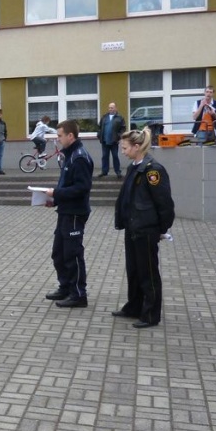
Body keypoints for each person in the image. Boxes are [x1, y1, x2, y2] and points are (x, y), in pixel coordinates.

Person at [113, 127, 175, 328]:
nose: (122, 151)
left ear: (137, 146)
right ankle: (134, 306)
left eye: (125, 147)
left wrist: (161, 229)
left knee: (148, 273)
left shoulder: (153, 170)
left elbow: (164, 203)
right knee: (134, 270)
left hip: (146, 228)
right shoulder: (134, 166)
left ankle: (150, 315)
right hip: (133, 227)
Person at [43, 120, 94, 308]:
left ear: (70, 136)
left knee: (73, 254)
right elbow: (66, 184)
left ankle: (79, 294)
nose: (58, 139)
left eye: (60, 136)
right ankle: (65, 286)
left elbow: (82, 187)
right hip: (65, 210)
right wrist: (54, 200)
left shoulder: (79, 157)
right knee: (59, 253)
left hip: (75, 213)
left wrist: (56, 193)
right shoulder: (70, 155)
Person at [97, 102, 126, 178]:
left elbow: (123, 128)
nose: (110, 109)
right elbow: (99, 127)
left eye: (112, 107)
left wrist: (119, 136)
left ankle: (118, 172)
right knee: (104, 156)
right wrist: (99, 135)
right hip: (104, 141)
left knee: (115, 156)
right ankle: (104, 172)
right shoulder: (104, 117)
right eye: (109, 107)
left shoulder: (120, 118)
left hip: (114, 141)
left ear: (116, 108)